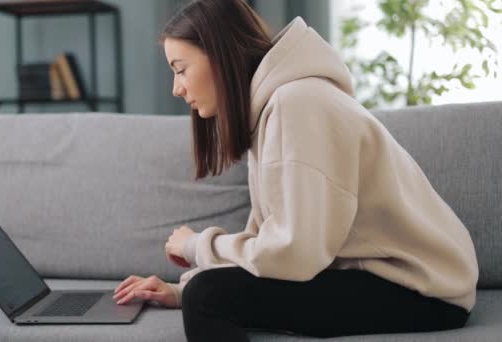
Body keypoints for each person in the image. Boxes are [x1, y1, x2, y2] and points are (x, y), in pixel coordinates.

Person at [112, 0, 478, 340]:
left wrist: (196, 246)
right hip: (389, 279)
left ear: (221, 57)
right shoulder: (275, 107)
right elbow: (269, 243)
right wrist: (179, 289)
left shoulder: (297, 105)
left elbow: (293, 254)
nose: (177, 88)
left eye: (181, 69)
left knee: (207, 297)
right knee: (201, 292)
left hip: (422, 290)